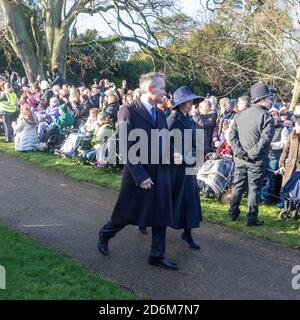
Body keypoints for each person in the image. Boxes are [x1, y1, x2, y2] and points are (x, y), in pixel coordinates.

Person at [97, 72, 179, 270]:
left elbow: (163, 140)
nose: (165, 92)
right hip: (138, 174)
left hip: (161, 171)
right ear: (150, 89)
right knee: (126, 213)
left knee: (161, 213)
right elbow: (125, 145)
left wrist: (172, 153)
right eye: (162, 88)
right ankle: (105, 234)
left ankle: (156, 255)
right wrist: (140, 175)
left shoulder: (160, 113)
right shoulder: (128, 110)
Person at [228, 81, 275, 226]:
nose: (270, 101)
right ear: (262, 99)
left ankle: (233, 213)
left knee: (238, 186)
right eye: (269, 98)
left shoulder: (240, 115)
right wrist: (251, 154)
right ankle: (251, 218)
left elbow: (232, 136)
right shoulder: (266, 116)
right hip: (256, 160)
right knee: (253, 189)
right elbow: (265, 140)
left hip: (242, 158)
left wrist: (240, 152)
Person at [167, 86, 203, 249]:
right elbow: (163, 142)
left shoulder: (189, 119)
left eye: (191, 101)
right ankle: (149, 223)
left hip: (188, 165)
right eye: (188, 102)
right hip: (176, 168)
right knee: (171, 198)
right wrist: (176, 153)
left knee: (190, 199)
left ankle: (187, 233)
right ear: (180, 103)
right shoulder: (173, 119)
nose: (191, 104)